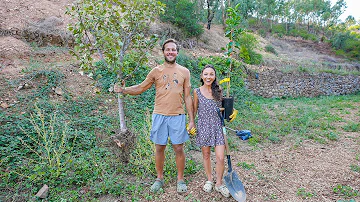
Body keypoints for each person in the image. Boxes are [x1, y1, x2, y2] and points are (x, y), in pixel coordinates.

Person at [114, 39, 195, 194]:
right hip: (159, 115)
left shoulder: (185, 72)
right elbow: (141, 87)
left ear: (177, 52)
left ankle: (180, 179)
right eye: (167, 49)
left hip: (177, 115)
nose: (170, 52)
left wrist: (191, 120)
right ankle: (159, 178)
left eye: (173, 49)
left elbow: (187, 97)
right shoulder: (156, 71)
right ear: (163, 52)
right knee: (159, 147)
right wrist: (123, 90)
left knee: (178, 148)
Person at [193, 64, 233, 198]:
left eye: (211, 74)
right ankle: (210, 179)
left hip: (218, 128)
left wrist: (231, 113)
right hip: (204, 126)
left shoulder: (219, 91)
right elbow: (194, 109)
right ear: (201, 76)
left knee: (221, 157)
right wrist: (191, 123)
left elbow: (226, 109)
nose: (208, 77)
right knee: (206, 155)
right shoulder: (197, 91)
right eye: (206, 74)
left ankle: (219, 183)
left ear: (214, 76)